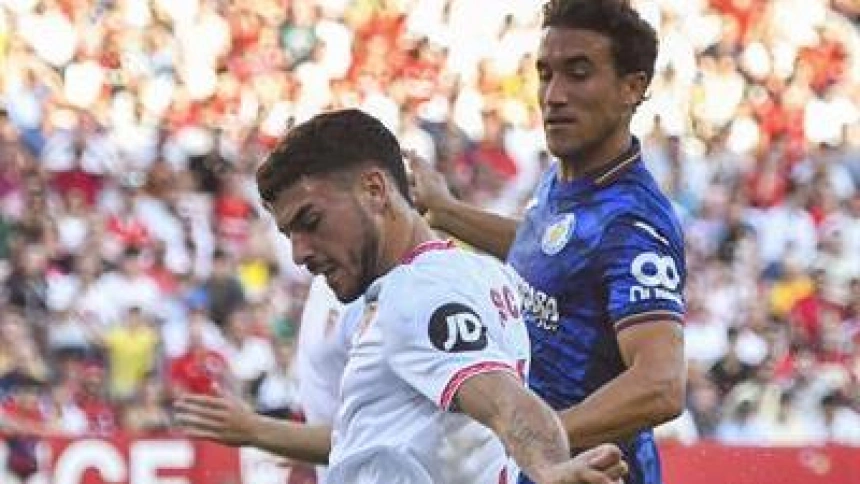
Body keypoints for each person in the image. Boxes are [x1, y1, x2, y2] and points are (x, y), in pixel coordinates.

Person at [176, 109, 628, 484]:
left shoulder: (417, 293)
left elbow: (501, 398)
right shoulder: (483, 275)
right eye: (288, 233)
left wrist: (550, 469)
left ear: (375, 190)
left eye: (310, 221)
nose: (299, 253)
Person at [408, 1, 686, 483]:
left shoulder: (635, 224)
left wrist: (536, 436)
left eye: (578, 74)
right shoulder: (569, 178)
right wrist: (449, 213)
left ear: (632, 87)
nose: (553, 95)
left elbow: (660, 384)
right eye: (545, 74)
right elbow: (550, 253)